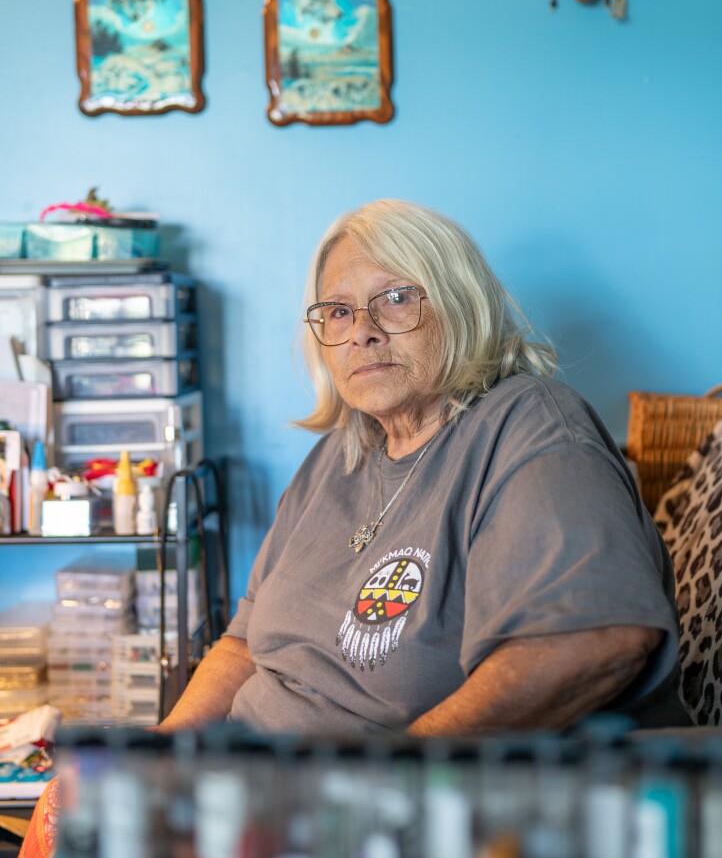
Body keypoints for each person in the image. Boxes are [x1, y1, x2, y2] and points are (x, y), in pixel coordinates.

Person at [159, 198, 683, 736]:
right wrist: (157, 753)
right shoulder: (335, 457)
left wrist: (397, 781)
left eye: (395, 298)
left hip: (391, 798)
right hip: (246, 783)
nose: (362, 331)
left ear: (460, 305)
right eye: (338, 311)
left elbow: (589, 644)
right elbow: (242, 644)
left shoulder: (530, 424)